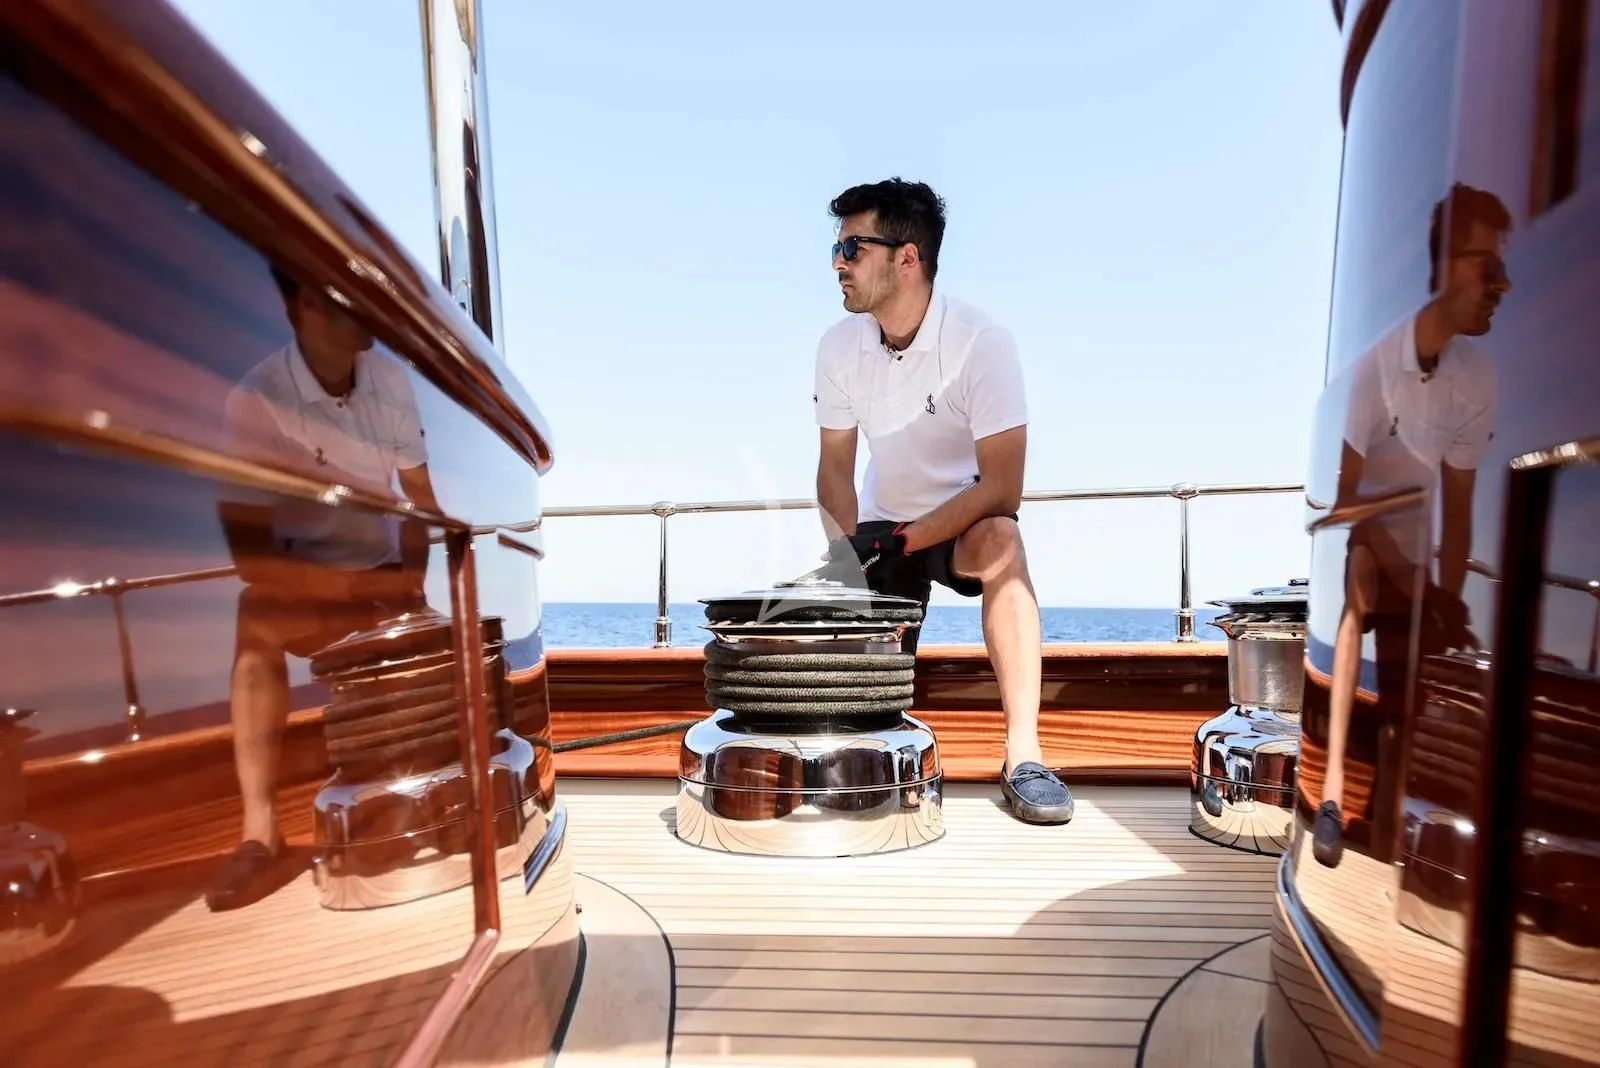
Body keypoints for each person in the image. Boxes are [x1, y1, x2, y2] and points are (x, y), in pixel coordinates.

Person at [809, 178, 1074, 824]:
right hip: (880, 529)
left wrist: (909, 537)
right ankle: (871, 741)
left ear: (908, 258)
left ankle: (1024, 754)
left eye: (852, 246)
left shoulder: (983, 343)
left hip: (961, 525)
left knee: (1005, 544)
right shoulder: (839, 347)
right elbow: (835, 472)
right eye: (835, 246)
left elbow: (1001, 490)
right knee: (862, 732)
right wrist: (849, 557)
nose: (837, 262)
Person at [206, 267, 441, 911]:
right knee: (254, 616)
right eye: (343, 292)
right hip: (307, 578)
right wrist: (345, 589)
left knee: (442, 634)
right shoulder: (255, 401)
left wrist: (410, 588)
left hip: (389, 575)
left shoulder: (388, 377)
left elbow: (421, 503)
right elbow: (250, 556)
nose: (365, 304)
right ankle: (260, 835)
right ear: (301, 304)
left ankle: (427, 800)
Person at [1312, 182, 1510, 867]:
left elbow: (1458, 513)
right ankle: (1332, 792)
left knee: (1419, 646)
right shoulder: (1371, 369)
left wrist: (1446, 600)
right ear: (1450, 266)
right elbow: (1344, 495)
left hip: (1417, 561)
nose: (1503, 284)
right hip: (1368, 545)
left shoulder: (1477, 378)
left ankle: (1402, 811)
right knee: (1361, 576)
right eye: (1490, 267)